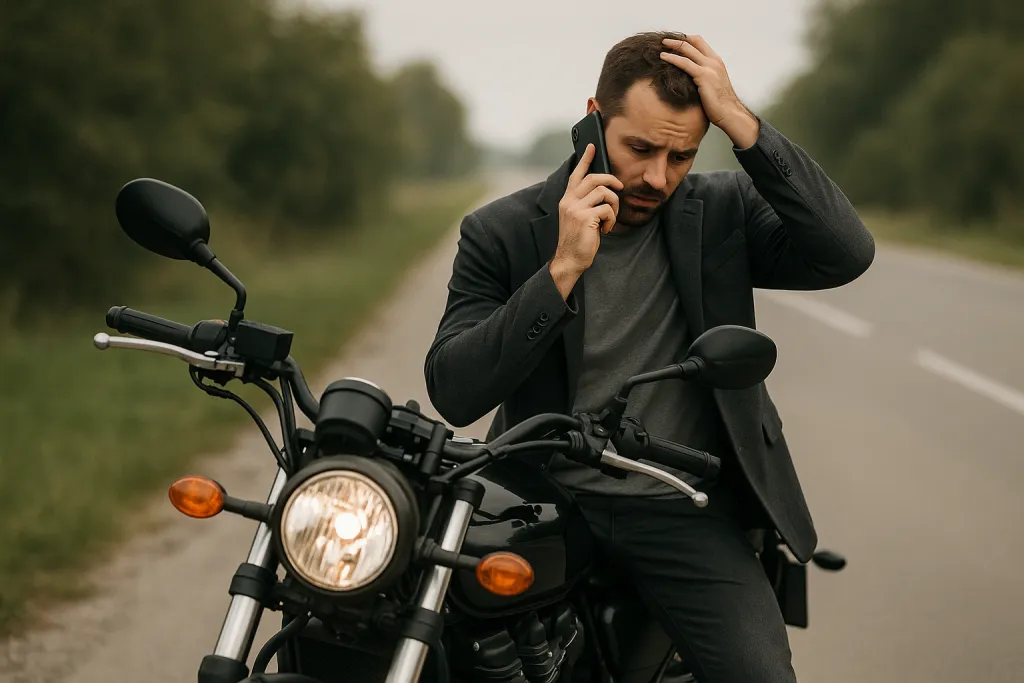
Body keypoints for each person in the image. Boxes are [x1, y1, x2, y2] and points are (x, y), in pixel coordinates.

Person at [424, 30, 874, 683]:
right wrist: (560, 272)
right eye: (639, 148)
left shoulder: (723, 211)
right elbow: (455, 390)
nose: (658, 176)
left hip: (682, 505)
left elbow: (846, 251)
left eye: (681, 155)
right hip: (541, 499)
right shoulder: (501, 230)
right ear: (594, 117)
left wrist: (743, 123)